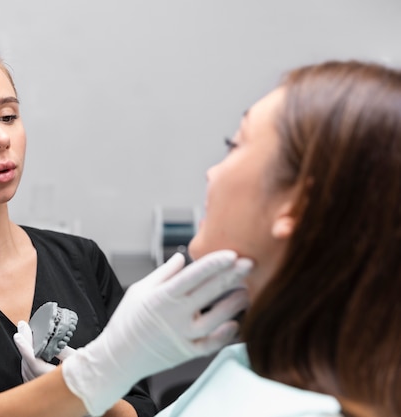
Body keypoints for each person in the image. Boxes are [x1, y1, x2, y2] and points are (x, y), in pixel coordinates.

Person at [0, 10, 252, 417]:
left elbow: (139, 407)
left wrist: (107, 377)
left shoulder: (82, 261)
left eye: (8, 116)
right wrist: (92, 377)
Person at [153, 60, 401, 416]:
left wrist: (91, 379)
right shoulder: (255, 368)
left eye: (234, 144)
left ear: (296, 205)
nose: (212, 172)